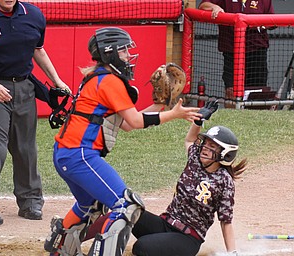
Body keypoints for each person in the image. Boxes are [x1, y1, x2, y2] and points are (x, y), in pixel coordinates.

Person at [43, 26, 202, 256]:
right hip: (80, 155)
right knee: (127, 205)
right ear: (110, 53)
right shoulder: (110, 81)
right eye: (124, 50)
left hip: (66, 153)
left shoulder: (100, 78)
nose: (128, 55)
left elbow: (126, 124)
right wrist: (174, 114)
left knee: (89, 205)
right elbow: (136, 121)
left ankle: (59, 247)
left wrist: (161, 103)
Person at [80, 101, 247, 256]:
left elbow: (226, 221)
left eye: (212, 147)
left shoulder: (224, 181)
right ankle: (75, 238)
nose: (204, 148)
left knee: (142, 247)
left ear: (225, 154)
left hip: (188, 238)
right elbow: (190, 139)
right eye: (206, 144)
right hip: (165, 224)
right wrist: (198, 120)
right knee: (126, 209)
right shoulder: (195, 159)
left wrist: (232, 253)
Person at [0, 0, 70, 227]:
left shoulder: (34, 15)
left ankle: (30, 201)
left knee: (26, 147)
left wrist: (57, 80)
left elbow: (38, 51)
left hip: (25, 89)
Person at [198, 0, 275, 108]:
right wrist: (214, 7)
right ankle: (232, 121)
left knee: (257, 92)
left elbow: (272, 20)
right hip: (231, 51)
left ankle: (254, 120)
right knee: (231, 91)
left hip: (257, 52)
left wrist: (260, 25)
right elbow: (202, 6)